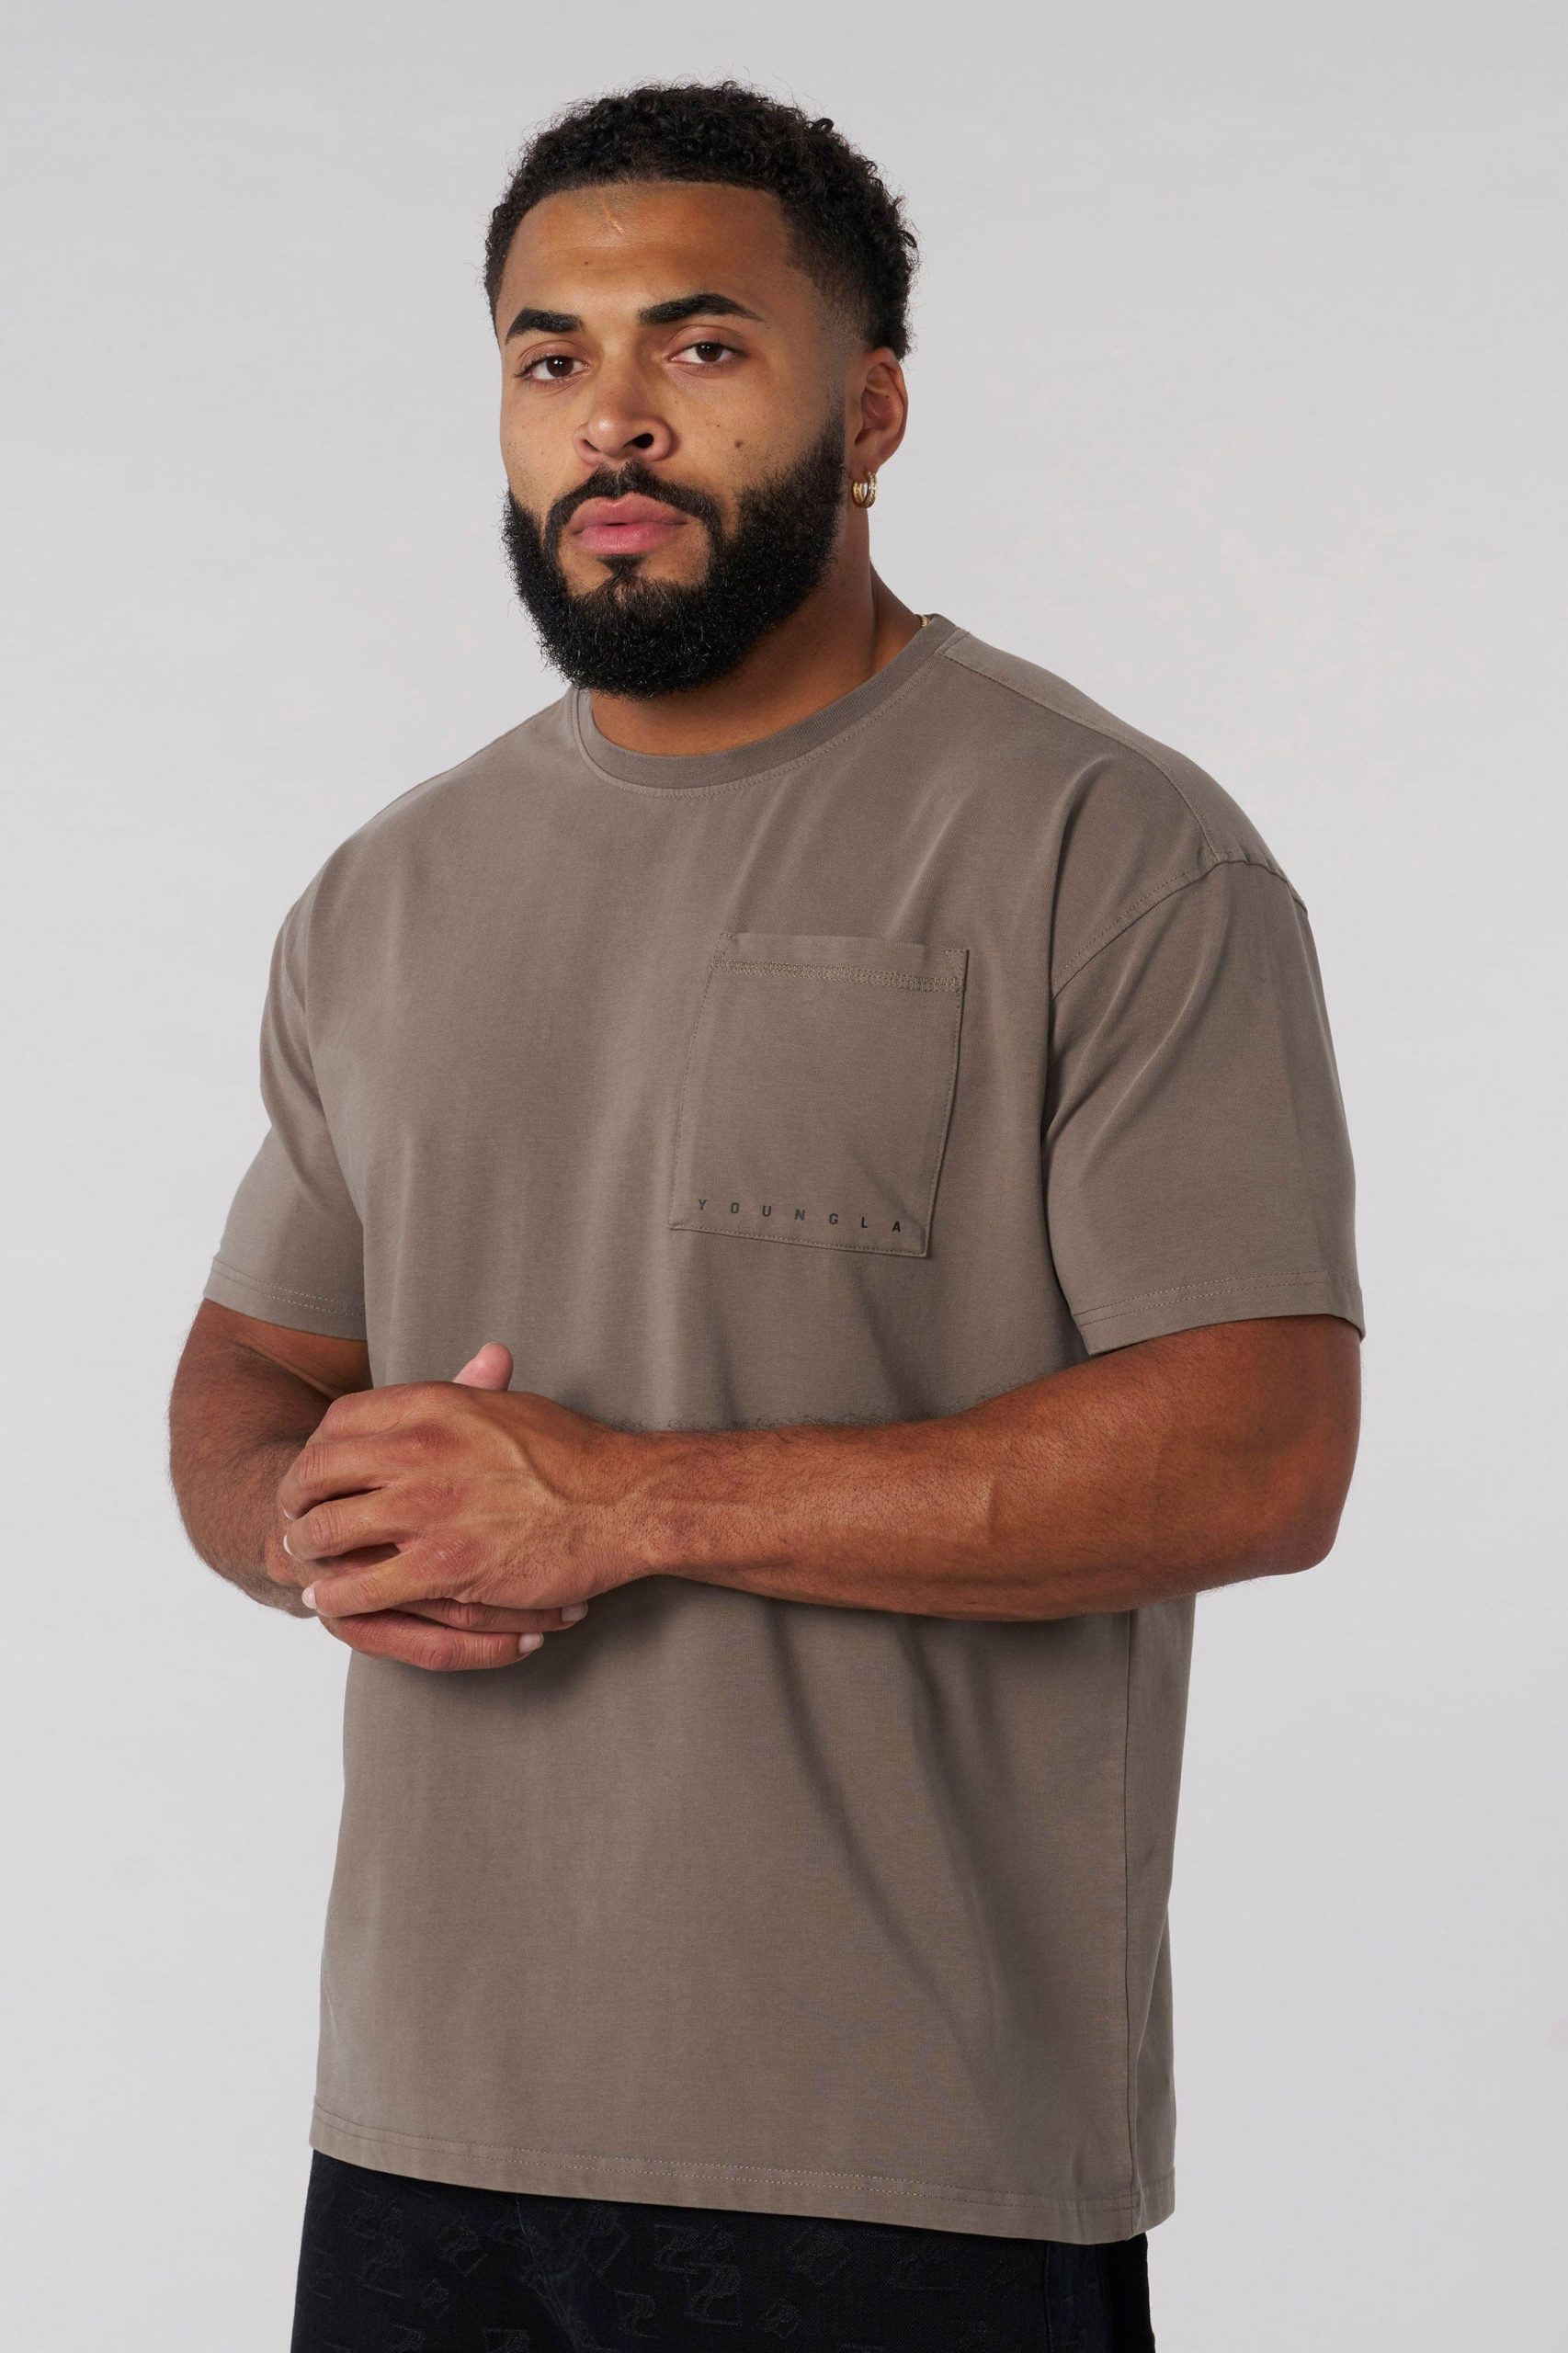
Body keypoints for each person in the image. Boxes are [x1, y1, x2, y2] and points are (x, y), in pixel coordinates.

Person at [168, 79, 1364, 2352]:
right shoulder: (388, 890)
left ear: (872, 409)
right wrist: (301, 1521)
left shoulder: (1107, 849)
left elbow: (1261, 1450)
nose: (612, 416)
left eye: (700, 346)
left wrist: (615, 1502)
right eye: (550, 355)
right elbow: (253, 1365)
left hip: (903, 2158)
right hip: (422, 2133)